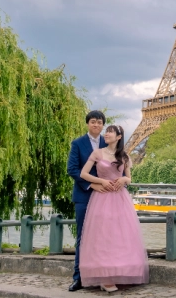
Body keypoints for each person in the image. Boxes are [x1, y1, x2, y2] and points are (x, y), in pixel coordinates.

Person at [79, 125, 149, 293]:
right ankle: (105, 277)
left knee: (120, 235)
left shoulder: (124, 156)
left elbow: (129, 178)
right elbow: (83, 174)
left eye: (110, 131)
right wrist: (101, 181)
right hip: (102, 197)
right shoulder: (98, 153)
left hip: (120, 198)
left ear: (119, 136)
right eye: (107, 131)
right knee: (104, 235)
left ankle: (119, 272)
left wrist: (124, 179)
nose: (106, 134)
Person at [67, 110, 112, 292]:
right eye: (93, 121)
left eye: (100, 122)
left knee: (103, 237)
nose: (96, 125)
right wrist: (92, 184)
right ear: (88, 123)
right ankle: (78, 278)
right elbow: (72, 169)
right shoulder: (78, 143)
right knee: (83, 237)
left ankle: (101, 276)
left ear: (103, 125)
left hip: (105, 197)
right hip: (84, 195)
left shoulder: (108, 143)